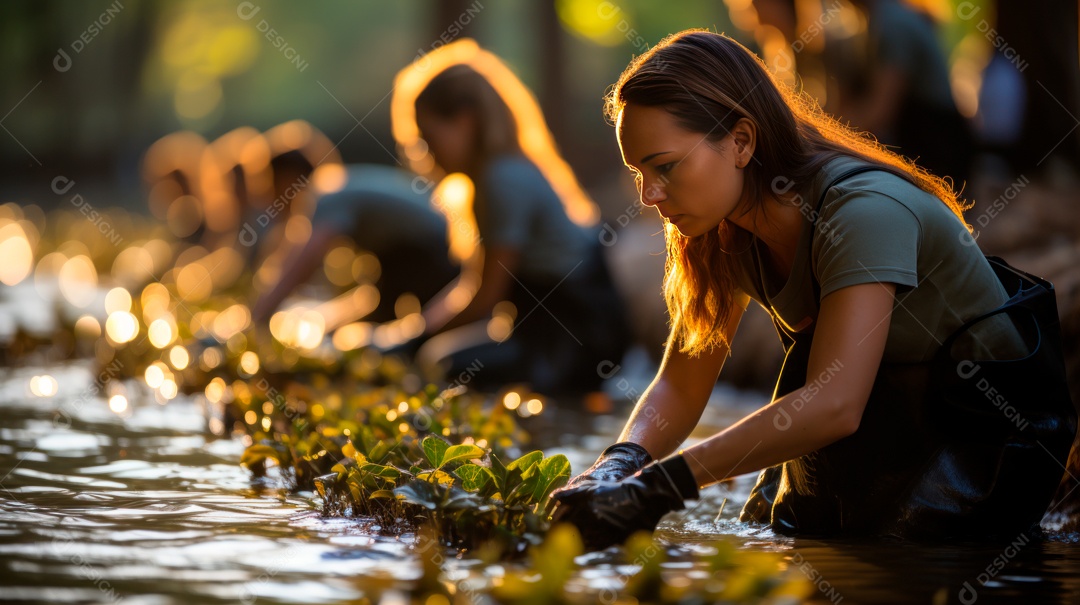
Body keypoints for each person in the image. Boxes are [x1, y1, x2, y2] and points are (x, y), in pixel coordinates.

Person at [550, 30, 1075, 550]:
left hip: (986, 437)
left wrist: (664, 486)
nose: (648, 195)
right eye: (638, 172)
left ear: (741, 142)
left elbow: (834, 405)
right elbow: (680, 386)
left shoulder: (862, 212)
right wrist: (617, 466)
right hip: (887, 420)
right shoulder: (719, 231)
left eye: (664, 166)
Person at [395, 51, 629, 395]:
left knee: (443, 363)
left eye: (428, 139)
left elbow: (484, 298)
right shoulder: (497, 174)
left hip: (573, 345)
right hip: (546, 334)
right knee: (439, 358)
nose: (425, 155)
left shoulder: (502, 178)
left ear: (465, 121)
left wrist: (409, 339)